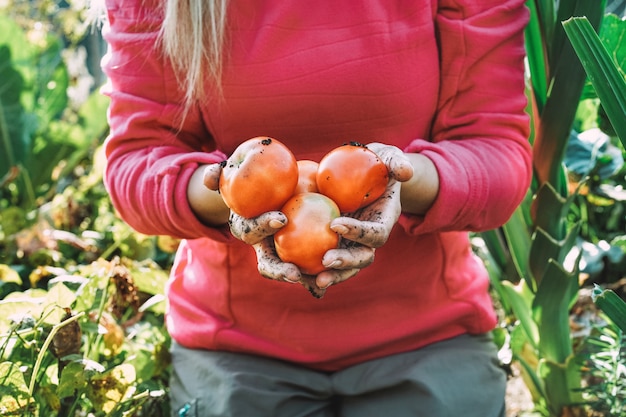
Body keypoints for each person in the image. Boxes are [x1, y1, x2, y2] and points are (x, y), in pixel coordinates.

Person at [100, 0, 532, 416]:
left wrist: (402, 180)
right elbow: (136, 162)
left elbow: (497, 155)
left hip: (427, 339)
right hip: (237, 352)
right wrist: (233, 196)